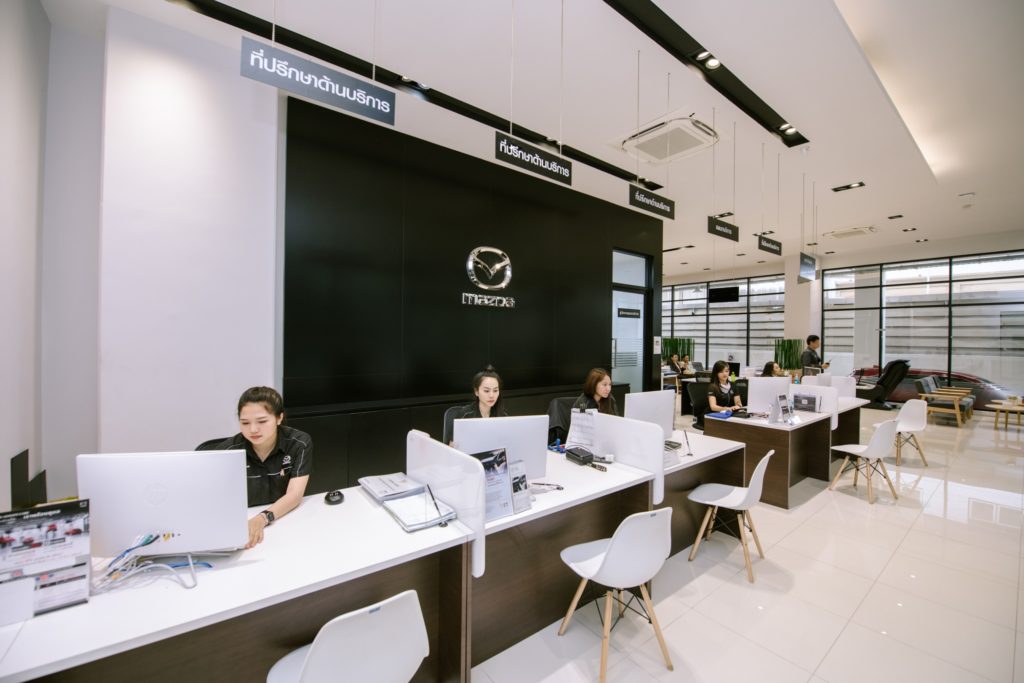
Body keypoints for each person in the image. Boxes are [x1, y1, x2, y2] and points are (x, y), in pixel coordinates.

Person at [217, 386, 312, 549]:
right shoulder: (227, 451)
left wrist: (262, 519)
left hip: (285, 520)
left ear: (279, 418)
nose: (253, 429)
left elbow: (295, 494)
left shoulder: (299, 443)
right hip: (243, 526)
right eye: (245, 423)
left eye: (262, 421)